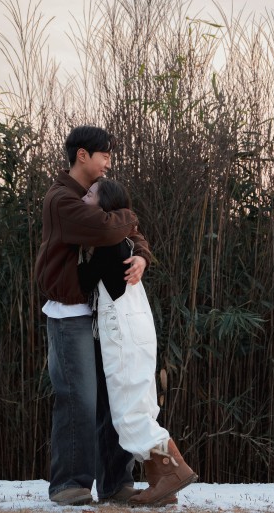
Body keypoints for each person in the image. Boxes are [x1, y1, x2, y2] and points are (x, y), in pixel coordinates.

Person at [35, 125, 151, 506]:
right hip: (69, 313)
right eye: (104, 155)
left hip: (103, 314)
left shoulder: (98, 194)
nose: (108, 163)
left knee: (113, 396)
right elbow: (105, 228)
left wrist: (141, 257)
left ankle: (116, 483)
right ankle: (69, 483)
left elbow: (126, 233)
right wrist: (128, 215)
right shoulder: (61, 200)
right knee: (78, 399)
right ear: (82, 155)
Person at [78, 178, 197, 506]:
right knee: (140, 404)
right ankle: (162, 482)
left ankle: (173, 470)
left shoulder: (108, 243)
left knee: (128, 412)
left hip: (123, 335)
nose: (84, 196)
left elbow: (83, 280)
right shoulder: (125, 240)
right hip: (138, 329)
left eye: (90, 194)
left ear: (105, 206)